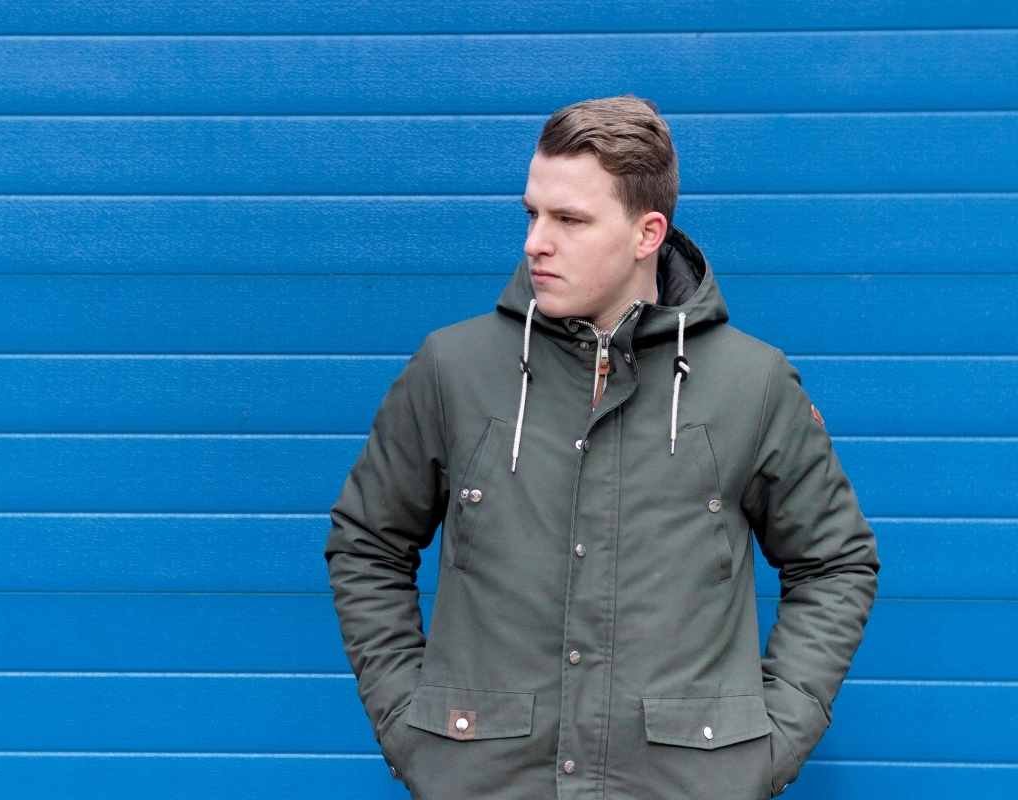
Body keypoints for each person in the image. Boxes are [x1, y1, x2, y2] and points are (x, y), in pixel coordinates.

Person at [324, 95, 879, 800]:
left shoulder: (752, 384)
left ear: (648, 233)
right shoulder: (453, 371)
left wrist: (765, 747)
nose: (536, 242)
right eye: (532, 214)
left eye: (570, 220)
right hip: (488, 782)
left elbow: (835, 563)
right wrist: (411, 727)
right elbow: (367, 544)